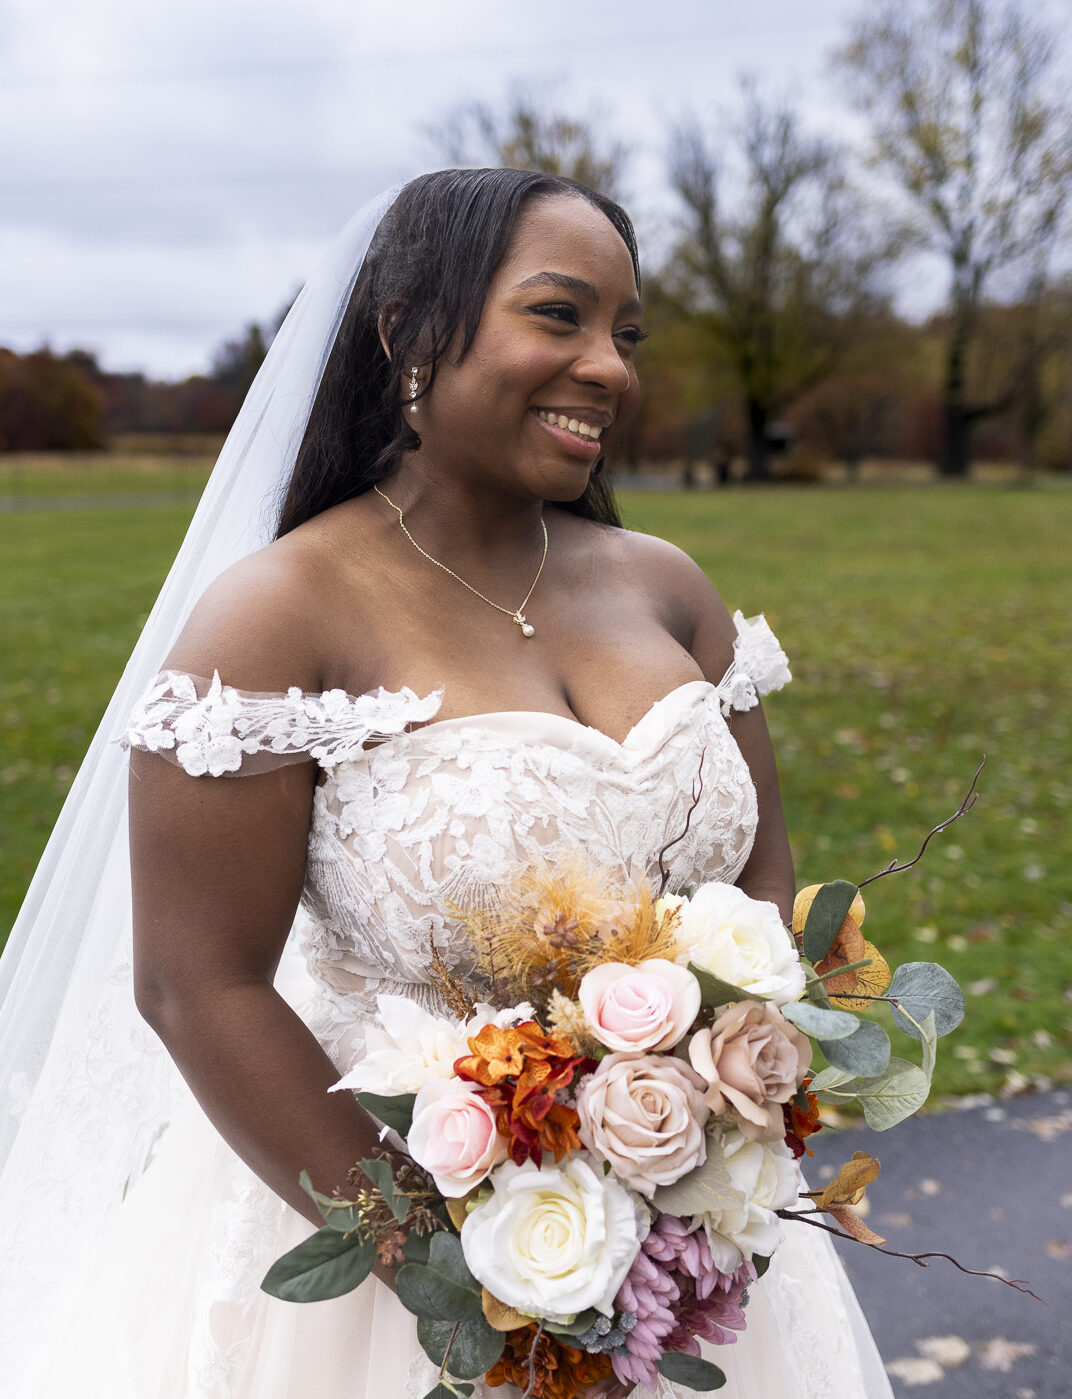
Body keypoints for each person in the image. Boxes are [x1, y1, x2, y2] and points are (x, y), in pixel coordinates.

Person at [0, 168, 893, 1397]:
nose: (610, 367)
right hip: (400, 1252)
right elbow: (196, 983)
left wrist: (731, 1109)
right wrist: (477, 1289)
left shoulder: (667, 585)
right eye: (559, 314)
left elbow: (764, 879)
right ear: (407, 331)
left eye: (626, 333)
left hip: (693, 1241)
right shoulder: (280, 614)